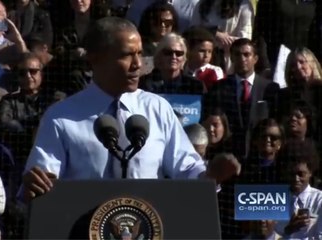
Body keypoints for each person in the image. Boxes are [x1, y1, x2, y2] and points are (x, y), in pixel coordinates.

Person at [22, 17, 240, 200]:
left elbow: (187, 169)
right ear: (95, 58)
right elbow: (42, 180)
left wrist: (210, 175)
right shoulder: (61, 117)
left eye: (139, 53)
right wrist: (35, 184)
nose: (138, 64)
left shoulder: (158, 109)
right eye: (127, 55)